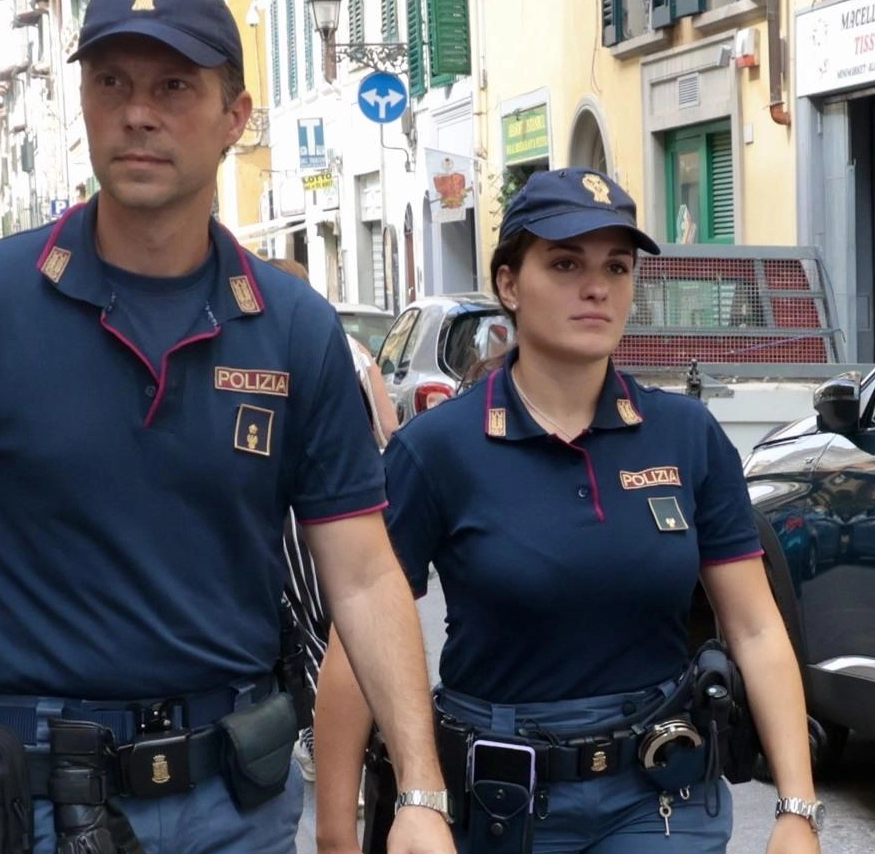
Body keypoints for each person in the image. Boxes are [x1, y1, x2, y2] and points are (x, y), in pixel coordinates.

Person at [0, 2, 454, 854]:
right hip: (35, 804)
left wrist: (418, 793)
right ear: (82, 100)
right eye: (112, 82)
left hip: (236, 805)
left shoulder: (291, 324)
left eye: (175, 85)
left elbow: (364, 576)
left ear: (234, 117)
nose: (138, 112)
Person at [313, 168, 822, 854]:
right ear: (508, 284)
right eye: (563, 263)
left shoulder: (686, 435)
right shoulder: (436, 448)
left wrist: (796, 809)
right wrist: (336, 832)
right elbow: (360, 631)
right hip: (501, 803)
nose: (596, 286)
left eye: (616, 266)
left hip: (660, 797)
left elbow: (756, 629)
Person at [262, 258, 399, 793]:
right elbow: (389, 428)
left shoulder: (270, 350)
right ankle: (366, 738)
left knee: (307, 625)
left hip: (298, 508)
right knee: (347, 619)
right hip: (358, 499)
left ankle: (331, 743)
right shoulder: (357, 353)